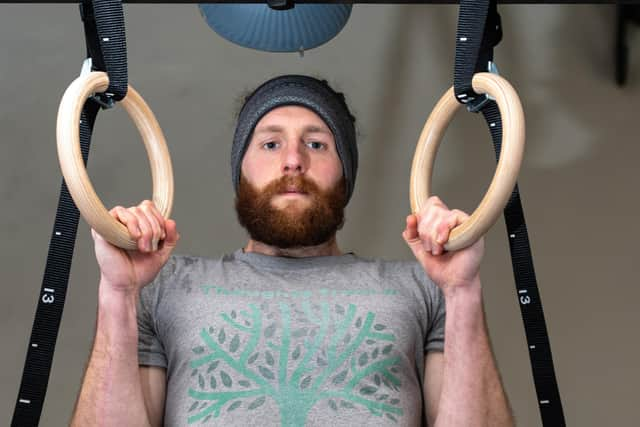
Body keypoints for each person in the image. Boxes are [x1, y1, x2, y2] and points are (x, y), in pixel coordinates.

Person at [71, 75, 513, 426]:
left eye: (316, 143)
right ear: (240, 173)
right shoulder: (164, 286)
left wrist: (462, 291)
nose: (293, 160)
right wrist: (117, 293)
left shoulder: (422, 287)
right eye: (270, 143)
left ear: (345, 175)